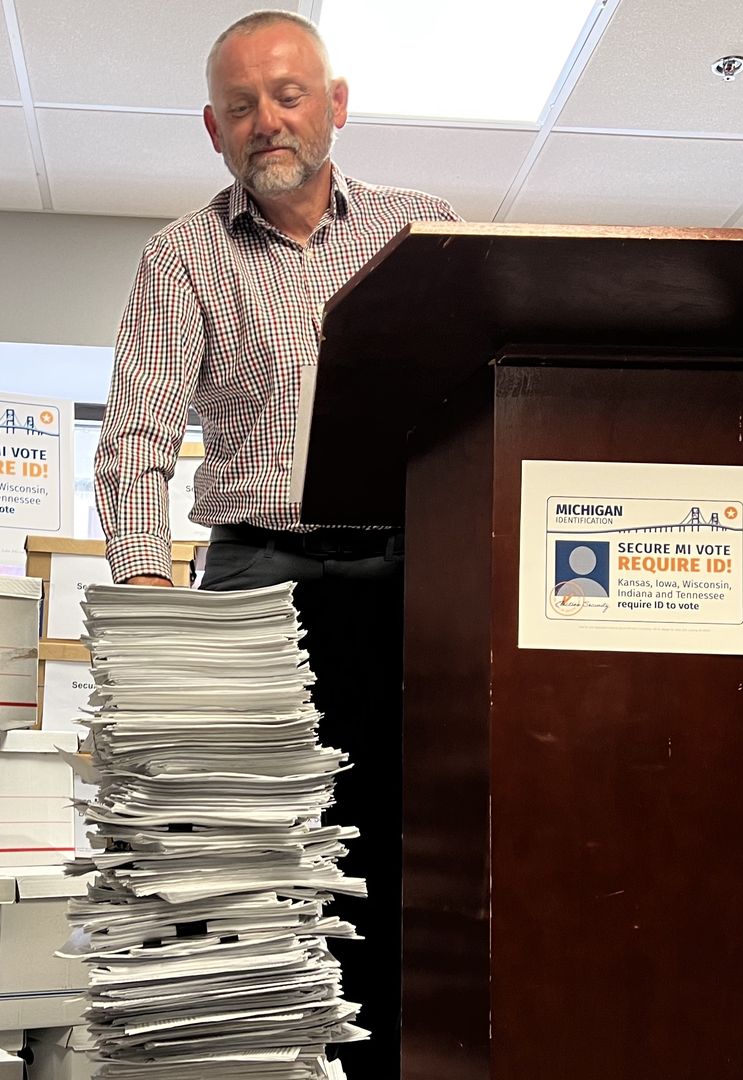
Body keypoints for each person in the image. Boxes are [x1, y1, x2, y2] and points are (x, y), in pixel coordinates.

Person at [92, 11, 459, 1077]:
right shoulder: (183, 258)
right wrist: (151, 623)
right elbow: (137, 443)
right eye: (242, 105)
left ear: (335, 106)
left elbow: (469, 406)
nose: (269, 121)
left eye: (289, 95)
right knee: (254, 859)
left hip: (409, 573)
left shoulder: (419, 228)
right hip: (257, 578)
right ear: (214, 129)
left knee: (408, 840)